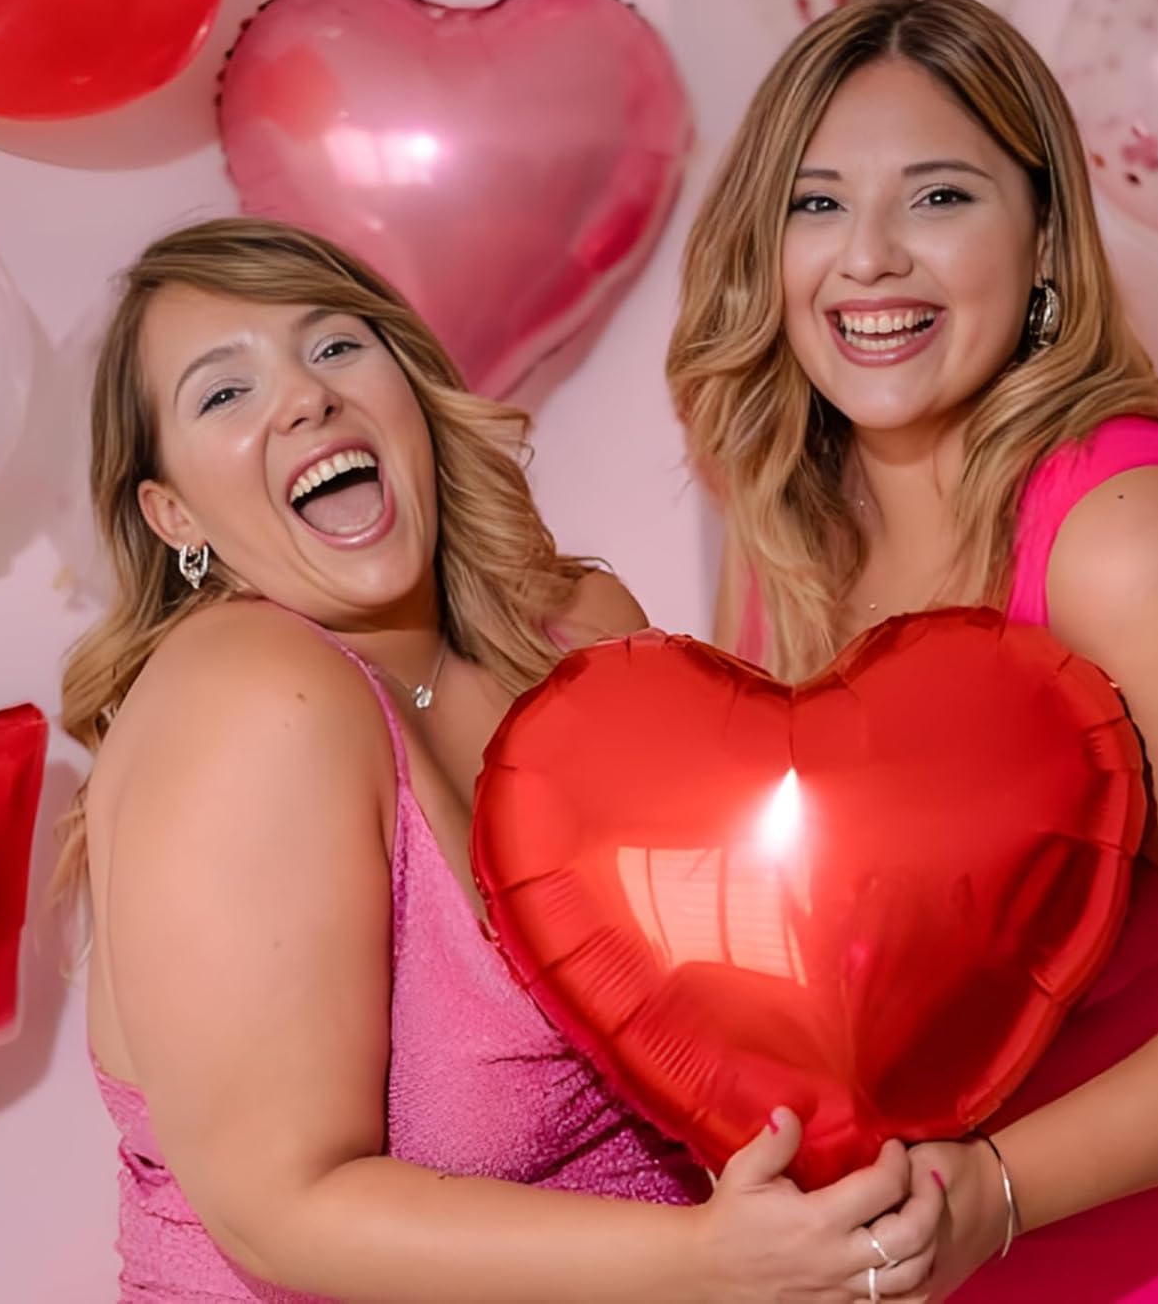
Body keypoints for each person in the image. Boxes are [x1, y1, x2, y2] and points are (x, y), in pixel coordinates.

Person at [666, 0, 1158, 1301]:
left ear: (1044, 243)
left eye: (940, 197)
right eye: (816, 203)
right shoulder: (789, 543)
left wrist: (1000, 1192)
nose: (869, 257)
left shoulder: (1131, 537)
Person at [53, 218, 942, 1303]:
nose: (305, 399)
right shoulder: (245, 696)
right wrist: (710, 1260)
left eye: (335, 346)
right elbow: (278, 1210)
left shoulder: (582, 632)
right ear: (173, 513)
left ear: (408, 389)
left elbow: (750, 999)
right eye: (224, 393)